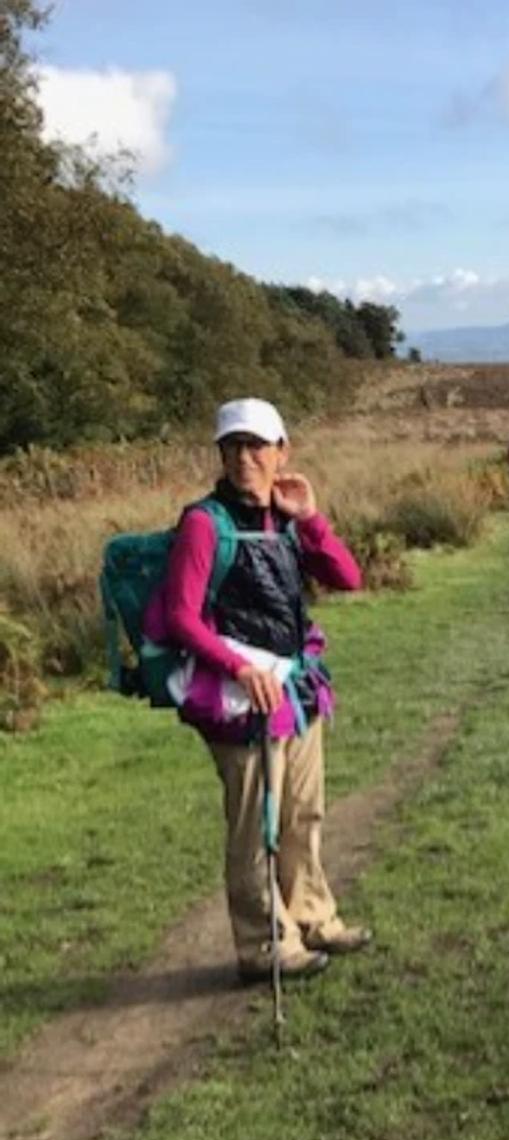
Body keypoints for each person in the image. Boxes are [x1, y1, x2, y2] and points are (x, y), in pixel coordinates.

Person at [144, 398, 371, 983]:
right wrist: (239, 669)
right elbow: (180, 617)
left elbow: (347, 576)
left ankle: (313, 918)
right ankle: (265, 944)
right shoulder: (204, 523)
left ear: (281, 452)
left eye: (256, 446)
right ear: (221, 455)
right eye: (233, 448)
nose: (244, 459)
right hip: (238, 700)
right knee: (256, 826)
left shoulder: (285, 519)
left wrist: (310, 517)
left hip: (293, 688)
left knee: (302, 812)